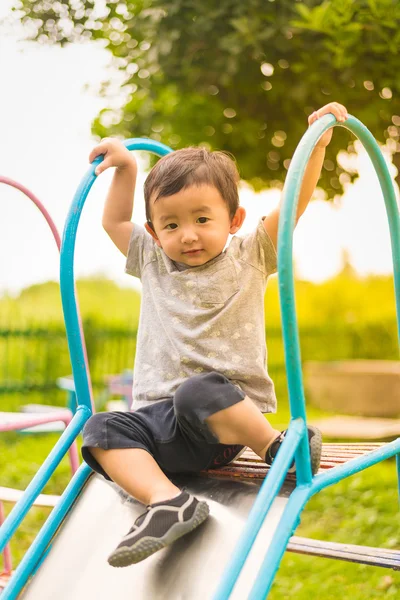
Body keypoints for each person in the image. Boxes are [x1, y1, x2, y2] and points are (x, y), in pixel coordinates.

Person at [82, 102, 348, 568]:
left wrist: (317, 145)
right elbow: (114, 221)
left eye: (202, 219)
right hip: (163, 424)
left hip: (224, 416)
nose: (188, 234)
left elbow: (292, 206)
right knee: (100, 428)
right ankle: (169, 502)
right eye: (171, 224)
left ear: (235, 220)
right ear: (153, 232)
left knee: (197, 390)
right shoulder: (150, 260)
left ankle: (277, 448)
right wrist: (125, 167)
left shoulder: (250, 256)